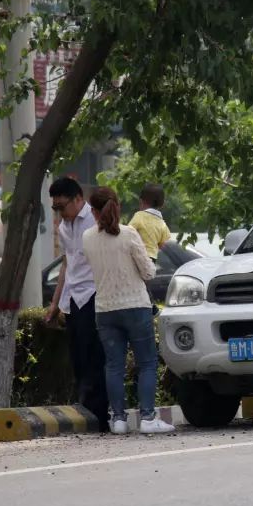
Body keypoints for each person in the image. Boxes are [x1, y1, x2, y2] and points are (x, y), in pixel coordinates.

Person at [81, 186, 176, 435]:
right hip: (135, 306)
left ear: (92, 211)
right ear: (118, 206)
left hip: (105, 309)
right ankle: (147, 418)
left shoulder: (87, 237)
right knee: (147, 362)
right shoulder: (129, 233)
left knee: (113, 365)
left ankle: (120, 420)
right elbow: (148, 272)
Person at [45, 177, 109, 430]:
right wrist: (55, 304)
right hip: (73, 299)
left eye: (63, 206)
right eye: (56, 208)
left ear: (78, 199)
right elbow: (66, 264)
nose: (60, 213)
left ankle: (101, 415)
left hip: (94, 294)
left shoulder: (94, 220)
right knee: (78, 357)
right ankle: (88, 412)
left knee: (95, 356)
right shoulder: (64, 227)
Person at [128, 183, 171, 262]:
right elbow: (162, 244)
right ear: (162, 204)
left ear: (141, 201)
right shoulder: (162, 223)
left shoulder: (139, 216)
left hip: (137, 256)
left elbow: (128, 232)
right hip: (152, 259)